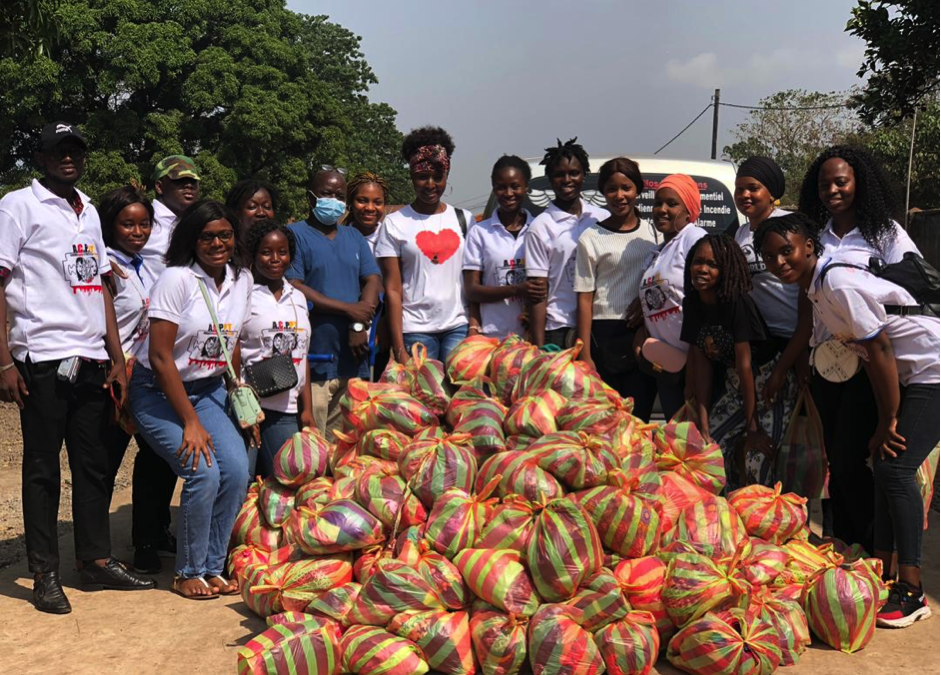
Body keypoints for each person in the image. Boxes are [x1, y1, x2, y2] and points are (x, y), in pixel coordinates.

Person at [0, 121, 155, 614]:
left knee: (93, 464)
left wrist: (115, 357)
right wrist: (4, 360)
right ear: (41, 158)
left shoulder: (87, 209)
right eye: (58, 150)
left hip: (91, 359)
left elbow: (101, 288)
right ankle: (44, 571)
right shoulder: (17, 206)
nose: (69, 157)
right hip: (41, 356)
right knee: (44, 467)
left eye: (76, 150)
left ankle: (95, 559)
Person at [756, 212, 939, 629]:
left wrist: (888, 418)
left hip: (933, 367)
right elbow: (872, 358)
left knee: (895, 469)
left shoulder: (835, 283)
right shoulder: (818, 290)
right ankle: (886, 572)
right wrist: (882, 422)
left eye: (787, 251)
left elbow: (881, 352)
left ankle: (912, 591)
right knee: (881, 463)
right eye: (769, 257)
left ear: (809, 247)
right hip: (915, 373)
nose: (779, 262)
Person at [795, 145, 922, 551]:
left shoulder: (885, 232)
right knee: (835, 458)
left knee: (854, 457)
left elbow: (911, 287)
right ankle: (845, 540)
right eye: (824, 184)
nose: (832, 190)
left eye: (840, 181)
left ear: (858, 183)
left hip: (869, 360)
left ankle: (870, 547)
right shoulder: (814, 233)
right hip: (825, 362)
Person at [128, 200, 252, 600]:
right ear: (192, 240)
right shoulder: (176, 279)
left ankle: (213, 568)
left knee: (235, 471)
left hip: (211, 388)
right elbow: (161, 357)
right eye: (206, 237)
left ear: (235, 237)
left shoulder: (242, 279)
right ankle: (187, 572)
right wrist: (190, 422)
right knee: (203, 472)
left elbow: (229, 341)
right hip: (159, 392)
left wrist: (238, 397)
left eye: (225, 235)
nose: (217, 243)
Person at [97, 185, 179, 575]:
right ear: (110, 225)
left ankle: (150, 537)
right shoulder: (106, 268)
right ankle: (94, 551)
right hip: (112, 378)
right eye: (127, 224)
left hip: (147, 377)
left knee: (157, 459)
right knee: (105, 462)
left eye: (144, 224)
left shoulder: (149, 266)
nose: (137, 232)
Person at [681, 234, 793, 490]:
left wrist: (753, 427)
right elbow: (702, 363)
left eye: (712, 264)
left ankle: (760, 515)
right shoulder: (692, 304)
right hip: (735, 383)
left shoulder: (737, 304)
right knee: (709, 450)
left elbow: (746, 367)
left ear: (726, 270)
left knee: (758, 457)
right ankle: (726, 509)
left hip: (767, 384)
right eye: (698, 262)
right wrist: (704, 419)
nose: (703, 269)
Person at [288, 168, 381, 437]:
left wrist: (358, 324)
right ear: (310, 198)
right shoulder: (294, 235)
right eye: (327, 194)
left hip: (353, 360)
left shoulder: (353, 237)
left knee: (344, 445)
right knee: (314, 446)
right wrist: (351, 310)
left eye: (339, 195)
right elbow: (295, 286)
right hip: (315, 361)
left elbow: (372, 279)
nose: (334, 200)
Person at [376, 126, 472, 363]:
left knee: (459, 398)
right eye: (422, 176)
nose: (430, 184)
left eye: (437, 176)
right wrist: (398, 348)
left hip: (459, 327)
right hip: (415, 330)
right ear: (411, 176)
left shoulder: (466, 220)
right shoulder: (394, 224)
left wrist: (474, 327)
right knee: (424, 398)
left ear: (446, 176)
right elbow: (393, 290)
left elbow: (473, 281)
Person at [574, 157, 659, 419]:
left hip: (642, 332)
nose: (619, 195)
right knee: (607, 421)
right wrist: (585, 354)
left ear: (638, 189)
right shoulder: (590, 238)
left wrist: (645, 307)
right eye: (612, 188)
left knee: (639, 418)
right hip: (603, 335)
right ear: (602, 192)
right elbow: (585, 298)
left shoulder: (654, 233)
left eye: (626, 188)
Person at [240, 220, 315, 477]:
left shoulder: (298, 297)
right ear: (252, 254)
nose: (275, 259)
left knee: (286, 479)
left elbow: (302, 354)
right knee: (243, 479)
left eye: (282, 252)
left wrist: (307, 411)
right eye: (266, 252)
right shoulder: (242, 293)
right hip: (249, 406)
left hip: (286, 406)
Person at [636, 174, 708, 421]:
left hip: (693, 364)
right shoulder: (658, 251)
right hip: (667, 364)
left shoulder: (693, 238)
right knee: (676, 444)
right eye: (657, 203)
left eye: (671, 203)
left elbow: (702, 304)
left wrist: (695, 372)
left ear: (689, 211)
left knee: (693, 444)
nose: (662, 210)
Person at [524, 138, 609, 348]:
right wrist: (539, 348)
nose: (567, 179)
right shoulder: (540, 227)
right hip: (559, 328)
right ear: (550, 180)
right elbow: (538, 292)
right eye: (559, 175)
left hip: (600, 324)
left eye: (574, 173)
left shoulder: (601, 217)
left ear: (584, 175)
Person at [463, 155, 540, 340]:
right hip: (492, 337)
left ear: (526, 187)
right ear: (494, 189)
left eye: (515, 186)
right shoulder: (479, 232)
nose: (508, 193)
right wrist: (517, 289)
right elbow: (472, 289)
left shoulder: (539, 229)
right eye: (501, 187)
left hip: (531, 337)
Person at [140, 155, 201, 282]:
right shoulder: (144, 220)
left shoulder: (197, 224)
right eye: (180, 180)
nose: (189, 185)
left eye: (193, 181)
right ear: (159, 187)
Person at [344, 171, 390, 255]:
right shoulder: (338, 239)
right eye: (362, 201)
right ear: (350, 202)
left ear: (384, 205)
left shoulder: (391, 238)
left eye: (377, 202)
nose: (370, 208)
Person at [224, 179, 277, 247]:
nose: (261, 213)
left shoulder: (282, 250)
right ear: (236, 213)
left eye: (267, 207)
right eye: (252, 207)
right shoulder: (225, 252)